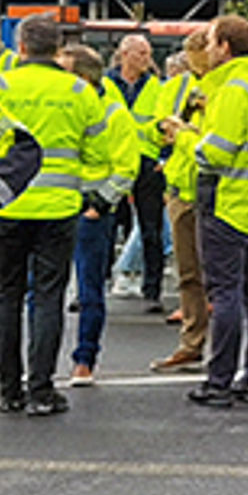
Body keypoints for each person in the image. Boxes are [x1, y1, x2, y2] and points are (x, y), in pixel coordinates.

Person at [0, 15, 118, 415]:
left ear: (22, 47)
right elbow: (100, 156)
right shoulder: (81, 91)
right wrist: (87, 192)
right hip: (60, 208)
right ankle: (42, 390)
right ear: (57, 50)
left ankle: (9, 389)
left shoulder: (0, 87)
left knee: (4, 296)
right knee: (48, 297)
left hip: (6, 203)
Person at [167, 15, 248, 408]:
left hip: (227, 201)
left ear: (225, 48)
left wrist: (183, 137)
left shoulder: (232, 91)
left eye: (212, 41)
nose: (206, 47)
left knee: (226, 294)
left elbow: (213, 154)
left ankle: (218, 381)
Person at [62, 44, 140, 387]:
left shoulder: (113, 113)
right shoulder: (64, 106)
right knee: (40, 290)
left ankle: (84, 359)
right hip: (55, 205)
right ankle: (39, 362)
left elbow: (127, 167)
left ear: (81, 78)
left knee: (90, 287)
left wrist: (100, 204)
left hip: (90, 210)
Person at [150, 32, 213, 374]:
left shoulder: (227, 86)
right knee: (187, 272)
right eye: (190, 56)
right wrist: (165, 126)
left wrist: (190, 126)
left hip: (215, 187)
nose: (194, 63)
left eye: (199, 55)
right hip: (180, 186)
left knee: (224, 277)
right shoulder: (174, 86)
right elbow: (154, 127)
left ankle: (229, 350)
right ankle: (192, 342)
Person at [106, 32, 169, 313]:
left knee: (150, 229)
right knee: (105, 228)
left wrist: (164, 157)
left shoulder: (157, 87)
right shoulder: (106, 84)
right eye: (141, 54)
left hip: (146, 163)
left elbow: (167, 124)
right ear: (124, 54)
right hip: (113, 161)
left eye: (148, 54)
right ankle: (94, 287)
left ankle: (152, 289)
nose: (147, 59)